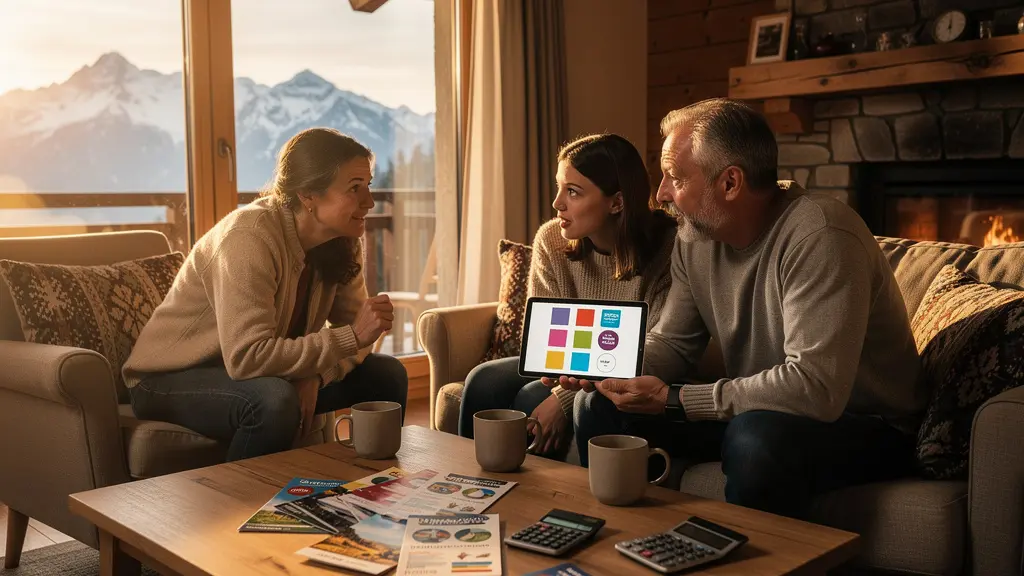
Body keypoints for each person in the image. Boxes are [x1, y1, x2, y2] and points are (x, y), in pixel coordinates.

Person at [546, 98, 926, 519]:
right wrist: (602, 363)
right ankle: (623, 549)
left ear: (730, 183)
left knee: (754, 438)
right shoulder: (695, 238)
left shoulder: (821, 235)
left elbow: (815, 389)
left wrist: (677, 398)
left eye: (675, 177)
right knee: (597, 404)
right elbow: (673, 342)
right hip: (761, 408)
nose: (660, 193)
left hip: (868, 424)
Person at [123, 128, 408, 462]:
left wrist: (315, 374)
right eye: (354, 188)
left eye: (369, 185)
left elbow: (360, 339)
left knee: (387, 374)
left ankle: (372, 492)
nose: (370, 202)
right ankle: (244, 507)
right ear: (308, 196)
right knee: (273, 399)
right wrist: (349, 338)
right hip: (168, 378)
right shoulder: (249, 237)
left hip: (260, 372)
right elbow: (248, 357)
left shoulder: (342, 240)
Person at [458, 133, 678, 460]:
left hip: (627, 373)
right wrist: (564, 393)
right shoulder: (552, 239)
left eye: (572, 192)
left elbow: (648, 353)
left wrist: (561, 401)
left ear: (617, 202)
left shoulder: (669, 250)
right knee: (482, 380)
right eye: (559, 187)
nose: (557, 203)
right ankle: (471, 485)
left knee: (529, 399)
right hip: (566, 365)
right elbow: (544, 341)